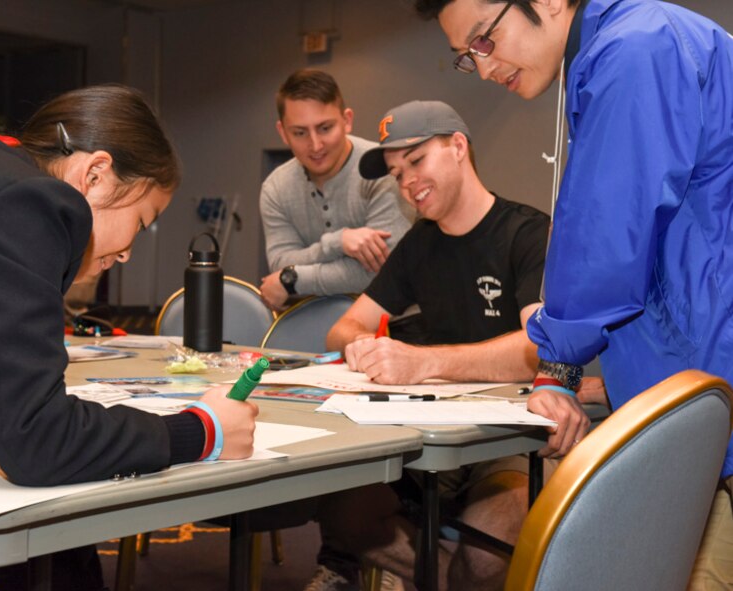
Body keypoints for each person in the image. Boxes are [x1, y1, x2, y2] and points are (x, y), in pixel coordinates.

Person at [0, 84, 258, 589]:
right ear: (95, 175)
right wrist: (201, 431)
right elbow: (35, 439)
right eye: (141, 221)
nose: (127, 252)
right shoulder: (29, 203)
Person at [416, 0, 733, 586]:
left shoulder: (637, 49)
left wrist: (556, 363)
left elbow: (607, 230)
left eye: (484, 40)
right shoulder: (624, 43)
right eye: (468, 57)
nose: (484, 69)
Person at [318, 100, 552, 591]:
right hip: (426, 436)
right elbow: (343, 328)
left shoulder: (528, 233)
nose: (407, 183)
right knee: (341, 512)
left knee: (488, 559)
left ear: (459, 147)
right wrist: (364, 346)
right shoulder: (419, 245)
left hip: (504, 439)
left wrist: (421, 363)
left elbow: (537, 350)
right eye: (396, 173)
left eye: (417, 161)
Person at [259, 69, 413, 311]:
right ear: (283, 133)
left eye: (324, 128)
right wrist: (337, 242)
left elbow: (381, 272)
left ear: (347, 120)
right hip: (311, 322)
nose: (315, 145)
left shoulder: (383, 169)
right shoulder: (275, 188)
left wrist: (293, 280)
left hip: (396, 325)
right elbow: (280, 263)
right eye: (300, 133)